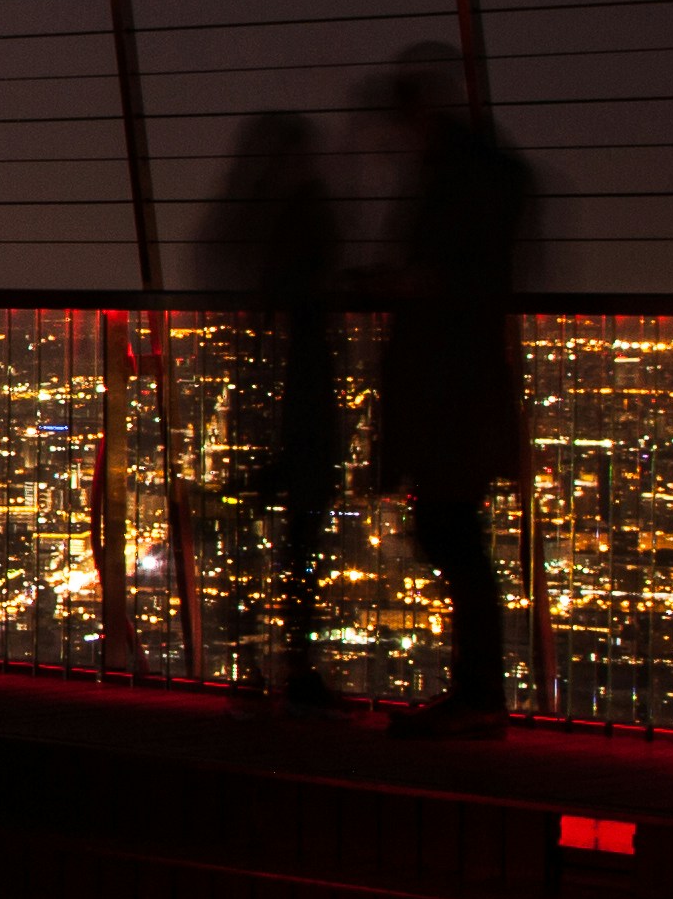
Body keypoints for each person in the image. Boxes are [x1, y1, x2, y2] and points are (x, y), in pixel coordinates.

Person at [366, 43, 537, 742]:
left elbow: (447, 279)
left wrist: (403, 285)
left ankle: (478, 695)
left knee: (452, 535)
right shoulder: (485, 176)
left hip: (448, 389)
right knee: (455, 533)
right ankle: (478, 693)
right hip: (462, 386)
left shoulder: (454, 183)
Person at [201, 110, 347, 712]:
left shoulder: (246, 223)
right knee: (301, 544)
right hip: (301, 405)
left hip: (267, 406)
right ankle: (293, 668)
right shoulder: (303, 215)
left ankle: (252, 666)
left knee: (257, 539)